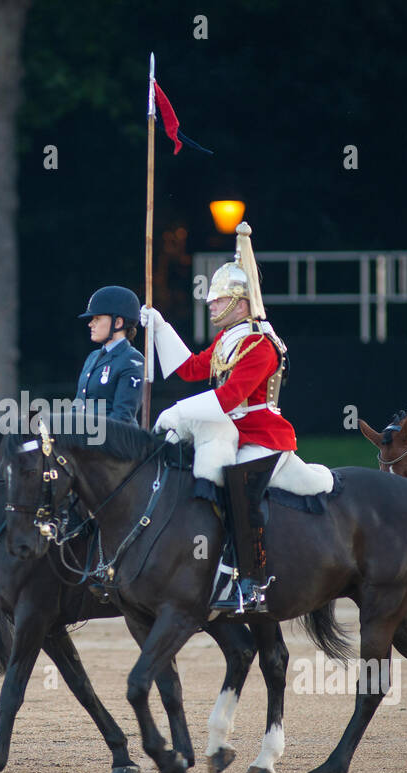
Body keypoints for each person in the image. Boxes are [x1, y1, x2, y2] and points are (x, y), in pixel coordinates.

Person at [140, 221, 332, 612]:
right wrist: (159, 327)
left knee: (238, 487)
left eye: (217, 300)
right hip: (234, 434)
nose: (210, 305)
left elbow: (230, 398)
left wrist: (177, 411)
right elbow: (191, 369)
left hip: (264, 438)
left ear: (240, 304)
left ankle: (251, 581)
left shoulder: (260, 345)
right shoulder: (230, 339)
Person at [74, 286, 146, 424]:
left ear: (118, 323)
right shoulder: (93, 357)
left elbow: (122, 417)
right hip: (86, 440)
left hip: (114, 442)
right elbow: (78, 407)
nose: (90, 324)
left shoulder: (132, 360)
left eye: (97, 318)